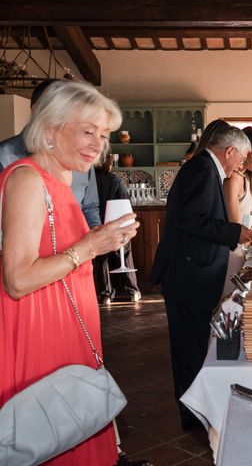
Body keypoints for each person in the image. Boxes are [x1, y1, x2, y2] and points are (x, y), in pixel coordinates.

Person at [0, 80, 140, 464]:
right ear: (50, 127)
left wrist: (102, 239)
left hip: (66, 325)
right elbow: (17, 279)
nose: (98, 144)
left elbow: (58, 248)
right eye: (87, 131)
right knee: (49, 429)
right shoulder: (27, 180)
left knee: (71, 425)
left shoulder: (61, 181)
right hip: (39, 329)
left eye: (104, 135)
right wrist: (91, 246)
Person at [150, 120, 252, 430]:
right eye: (241, 158)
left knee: (194, 346)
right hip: (186, 274)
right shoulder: (201, 169)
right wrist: (237, 232)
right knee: (188, 350)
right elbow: (190, 220)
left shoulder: (206, 169)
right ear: (230, 150)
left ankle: (197, 410)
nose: (240, 167)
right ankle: (193, 416)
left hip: (193, 272)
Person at [0, 78, 102, 228]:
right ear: (36, 110)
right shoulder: (4, 157)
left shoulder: (81, 156)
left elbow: (89, 207)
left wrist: (96, 233)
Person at [93, 153, 141, 303]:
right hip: (117, 224)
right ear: (109, 164)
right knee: (123, 255)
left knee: (101, 259)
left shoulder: (89, 182)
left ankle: (105, 293)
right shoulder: (115, 180)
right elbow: (125, 201)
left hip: (96, 225)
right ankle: (131, 291)